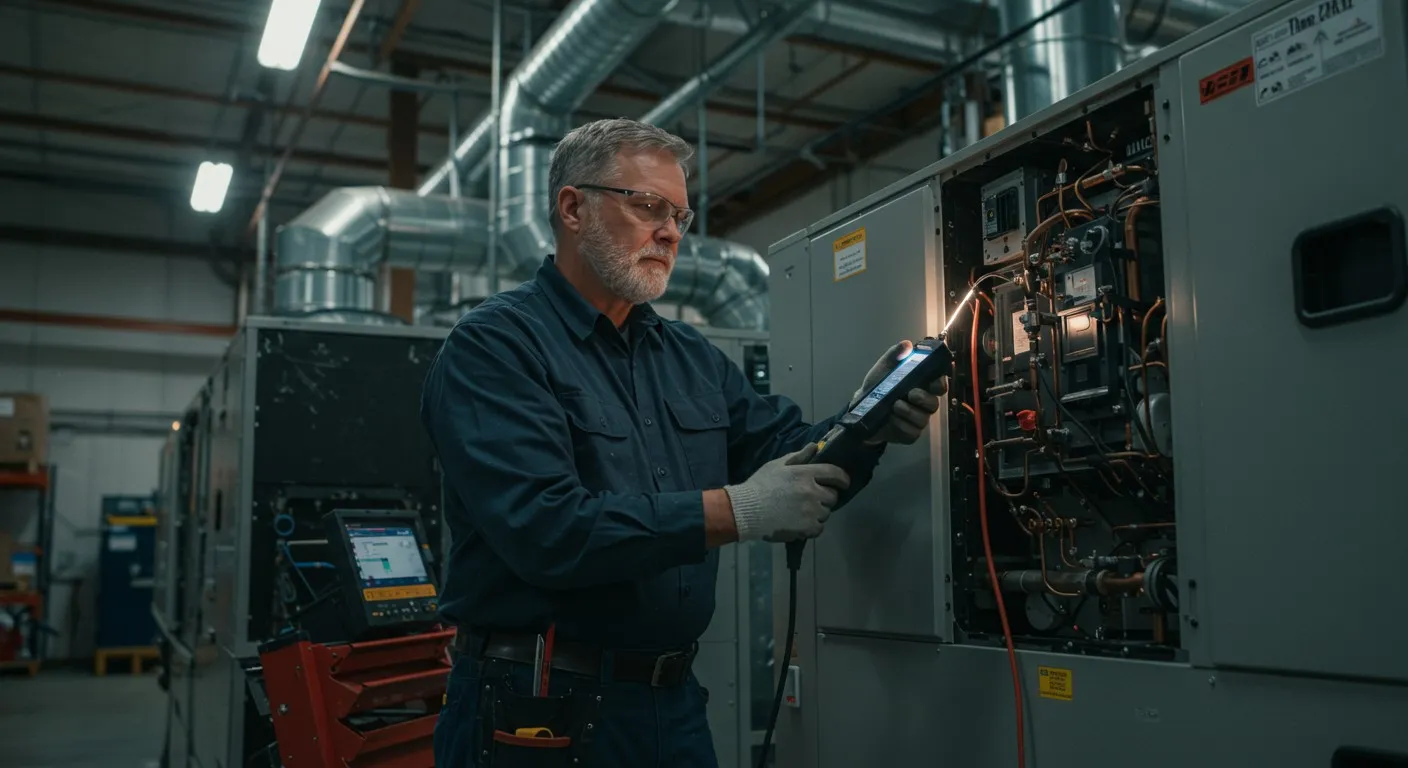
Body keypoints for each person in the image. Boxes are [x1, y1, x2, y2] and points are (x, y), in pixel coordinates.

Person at [421, 118, 945, 768]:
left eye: (680, 215)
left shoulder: (689, 356)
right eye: (647, 206)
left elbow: (788, 455)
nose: (670, 232)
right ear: (572, 207)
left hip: (670, 708)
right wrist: (739, 510)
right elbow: (546, 529)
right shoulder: (496, 347)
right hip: (535, 707)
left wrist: (867, 422)